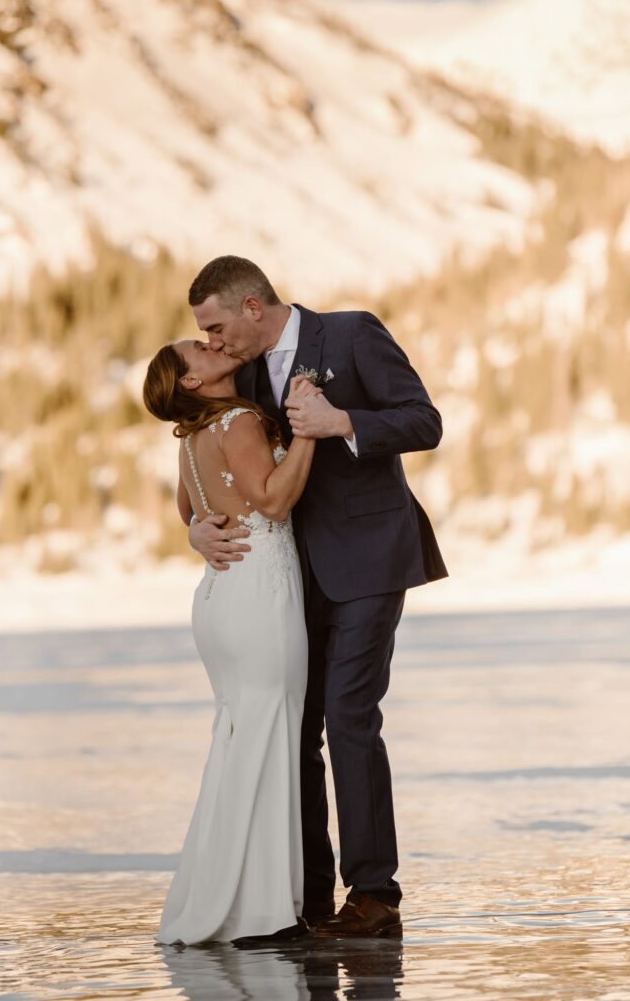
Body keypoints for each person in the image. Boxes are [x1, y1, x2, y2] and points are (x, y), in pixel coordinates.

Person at [188, 256, 448, 939]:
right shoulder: (237, 376)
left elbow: (424, 421)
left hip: (369, 557)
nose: (211, 343)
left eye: (216, 326)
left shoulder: (353, 334)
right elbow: (208, 461)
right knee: (297, 728)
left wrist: (343, 423)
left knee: (349, 711)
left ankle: (373, 894)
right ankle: (305, 897)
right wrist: (194, 526)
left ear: (252, 307)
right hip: (284, 577)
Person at [143, 337, 322, 945]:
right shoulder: (240, 420)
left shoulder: (193, 440)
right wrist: (307, 431)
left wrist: (197, 531)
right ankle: (265, 914)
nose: (207, 343)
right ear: (191, 381)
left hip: (220, 598)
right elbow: (271, 502)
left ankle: (233, 898)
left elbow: (187, 508)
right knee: (270, 735)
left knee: (240, 741)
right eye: (195, 347)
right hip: (257, 595)